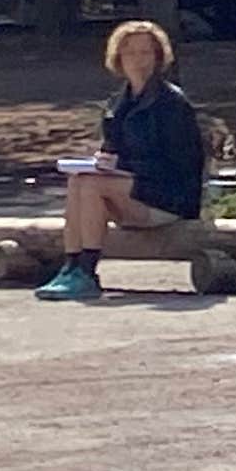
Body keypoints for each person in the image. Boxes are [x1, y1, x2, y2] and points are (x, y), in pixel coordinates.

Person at [39, 19, 207, 300]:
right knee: (79, 181)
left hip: (168, 200)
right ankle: (70, 267)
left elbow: (183, 165)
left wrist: (124, 171)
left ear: (158, 57)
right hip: (132, 193)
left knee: (93, 185)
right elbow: (114, 151)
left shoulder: (172, 103)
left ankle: (87, 273)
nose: (138, 61)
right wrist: (104, 161)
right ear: (118, 58)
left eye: (146, 53)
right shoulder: (118, 103)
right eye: (130, 53)